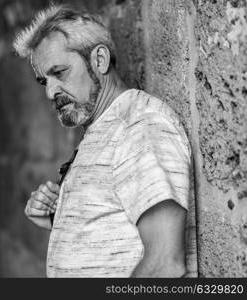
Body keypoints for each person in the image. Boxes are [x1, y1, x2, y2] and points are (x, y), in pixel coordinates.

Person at [13, 4, 192, 277]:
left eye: (59, 73)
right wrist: (59, 219)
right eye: (43, 81)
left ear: (99, 60)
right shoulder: (103, 129)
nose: (50, 92)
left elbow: (165, 265)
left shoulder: (139, 125)